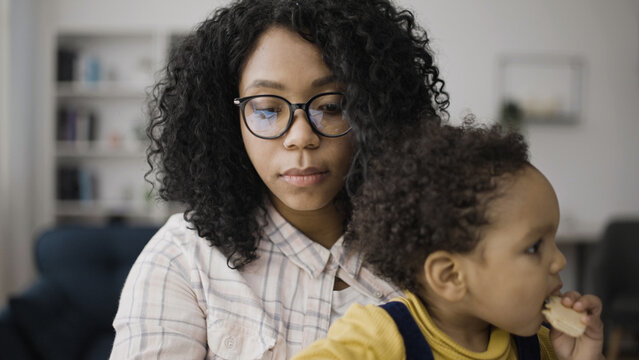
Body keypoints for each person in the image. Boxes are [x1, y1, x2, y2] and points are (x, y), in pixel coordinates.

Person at [109, 0, 449, 358]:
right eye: (268, 109)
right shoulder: (184, 258)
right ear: (229, 120)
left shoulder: (435, 258)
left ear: (375, 110)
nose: (300, 137)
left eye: (331, 106)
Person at [292, 120, 605, 360]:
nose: (560, 260)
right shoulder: (377, 337)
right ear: (450, 275)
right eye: (534, 246)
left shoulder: (544, 345)